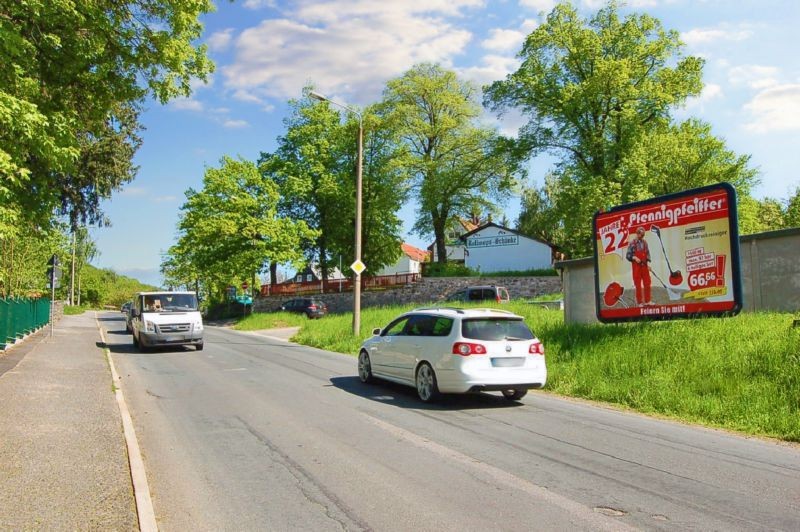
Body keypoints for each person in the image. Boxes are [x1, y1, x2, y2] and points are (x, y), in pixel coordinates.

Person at [626, 226, 653, 306]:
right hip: (636, 267)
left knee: (647, 283)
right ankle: (640, 302)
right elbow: (628, 255)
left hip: (644, 266)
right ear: (637, 234)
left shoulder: (645, 243)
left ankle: (648, 301)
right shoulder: (632, 243)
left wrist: (648, 265)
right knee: (638, 285)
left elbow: (647, 254)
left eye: (643, 235)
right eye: (641, 235)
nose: (642, 236)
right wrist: (634, 257)